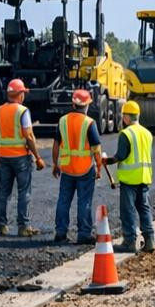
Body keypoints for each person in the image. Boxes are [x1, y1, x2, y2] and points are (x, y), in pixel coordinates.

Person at [0, 79, 45, 236]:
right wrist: (38, 157)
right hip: (21, 157)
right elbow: (28, 135)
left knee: (4, 191)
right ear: (20, 94)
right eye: (23, 93)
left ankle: (2, 225)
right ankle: (23, 226)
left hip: (4, 157)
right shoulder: (22, 111)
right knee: (24, 191)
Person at [51, 88, 103, 244]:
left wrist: (55, 164)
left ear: (73, 105)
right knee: (84, 201)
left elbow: (56, 144)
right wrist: (99, 167)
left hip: (67, 168)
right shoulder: (89, 123)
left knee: (63, 201)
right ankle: (84, 234)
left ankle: (60, 233)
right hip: (85, 169)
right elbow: (96, 148)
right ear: (87, 105)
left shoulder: (63, 121)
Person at [104, 100, 154, 254]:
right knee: (144, 208)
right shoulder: (147, 133)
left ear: (126, 117)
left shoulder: (126, 134)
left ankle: (129, 241)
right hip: (144, 177)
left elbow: (121, 156)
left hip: (129, 179)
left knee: (128, 210)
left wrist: (107, 161)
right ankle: (150, 240)